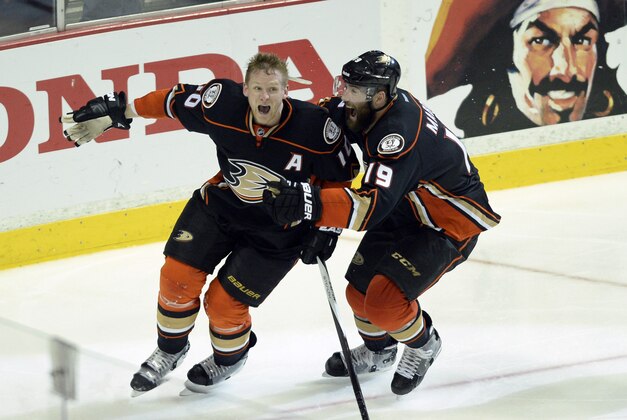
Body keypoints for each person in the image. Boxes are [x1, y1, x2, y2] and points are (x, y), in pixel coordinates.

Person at [60, 52, 359, 395]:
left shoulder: (316, 128)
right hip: (221, 206)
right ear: (245, 89)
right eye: (258, 89)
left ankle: (229, 358)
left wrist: (327, 227)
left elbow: (341, 177)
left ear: (286, 90)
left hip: (279, 231)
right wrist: (121, 112)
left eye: (273, 89)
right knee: (176, 279)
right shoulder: (222, 103)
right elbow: (171, 101)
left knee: (223, 304)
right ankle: (169, 352)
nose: (265, 97)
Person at [263, 51, 501, 395]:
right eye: (345, 85)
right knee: (357, 293)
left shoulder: (397, 135)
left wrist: (311, 206)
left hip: (448, 223)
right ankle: (380, 352)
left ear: (377, 96)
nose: (344, 95)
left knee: (384, 303)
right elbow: (317, 119)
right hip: (407, 207)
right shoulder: (368, 109)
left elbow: (369, 209)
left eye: (353, 90)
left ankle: (423, 344)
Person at [426, 0, 627, 137]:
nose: (565, 69)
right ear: (508, 52)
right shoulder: (445, 123)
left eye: (582, 40)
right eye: (541, 40)